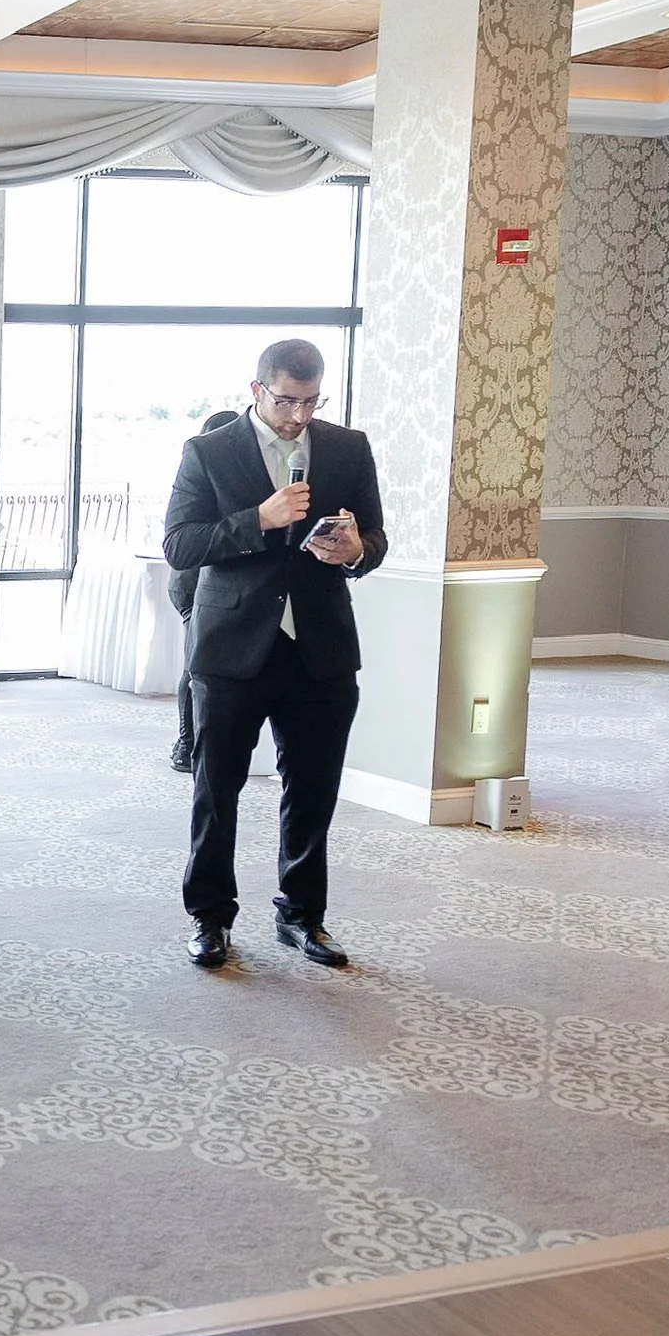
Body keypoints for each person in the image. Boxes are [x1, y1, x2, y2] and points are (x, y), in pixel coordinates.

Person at [164, 339, 385, 971]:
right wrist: (256, 518)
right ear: (257, 389)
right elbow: (180, 543)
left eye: (312, 401)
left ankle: (302, 916)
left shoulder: (348, 447)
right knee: (217, 788)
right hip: (232, 648)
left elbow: (375, 535)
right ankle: (210, 917)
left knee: (314, 788)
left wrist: (355, 553)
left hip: (321, 649)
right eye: (287, 400)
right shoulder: (208, 452)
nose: (298, 415)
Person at [170, 409, 247, 774]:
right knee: (196, 663)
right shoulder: (205, 474)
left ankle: (207, 738)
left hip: (214, 583)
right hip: (192, 582)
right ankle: (186, 742)